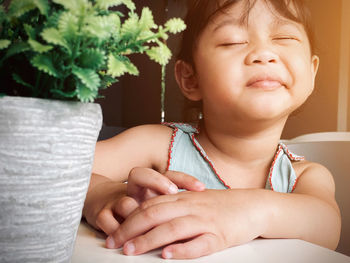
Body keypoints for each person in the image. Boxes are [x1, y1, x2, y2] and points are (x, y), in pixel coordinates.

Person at [82, 0, 341, 259]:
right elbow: (64, 169)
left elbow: (327, 226)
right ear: (190, 78)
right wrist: (101, 193)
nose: (264, 53)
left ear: (311, 71)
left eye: (284, 37)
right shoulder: (157, 145)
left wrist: (249, 211)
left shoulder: (304, 176)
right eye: (233, 41)